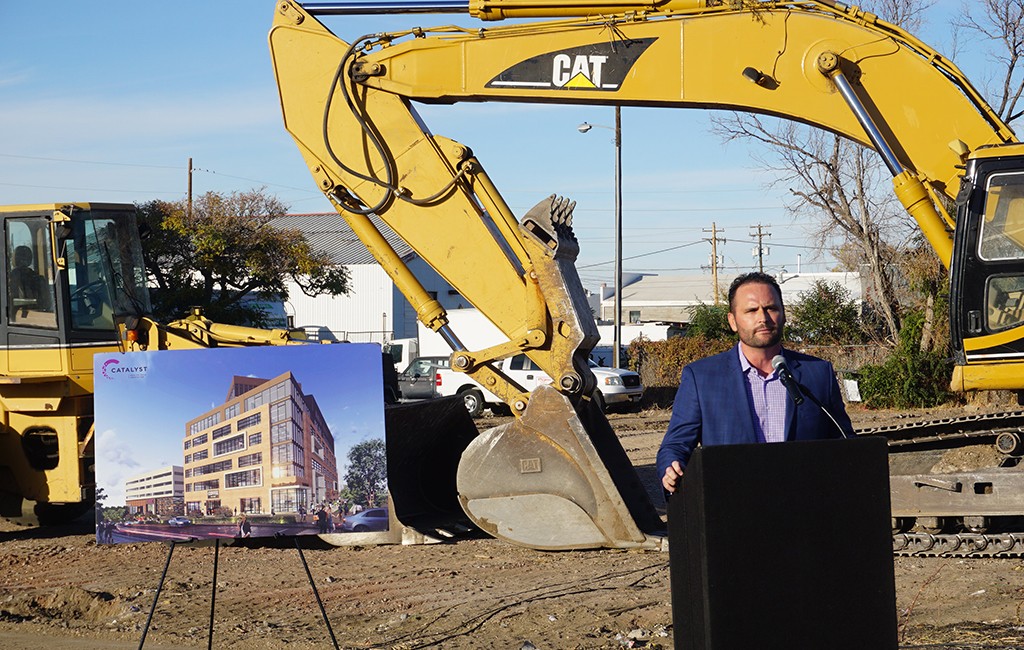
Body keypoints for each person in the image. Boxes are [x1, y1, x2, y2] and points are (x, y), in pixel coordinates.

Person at [656, 271, 853, 495]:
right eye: (751, 310)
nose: (763, 318)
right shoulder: (701, 378)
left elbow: (844, 442)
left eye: (771, 308)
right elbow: (676, 445)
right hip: (733, 508)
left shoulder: (818, 374)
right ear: (733, 321)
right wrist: (670, 468)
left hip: (804, 508)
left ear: (784, 314)